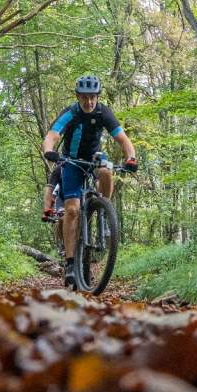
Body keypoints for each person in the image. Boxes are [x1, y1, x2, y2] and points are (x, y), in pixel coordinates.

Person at [41, 74, 137, 283]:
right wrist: (49, 150)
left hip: (94, 159)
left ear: (97, 96)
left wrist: (131, 157)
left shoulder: (103, 112)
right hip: (71, 162)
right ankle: (69, 264)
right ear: (78, 96)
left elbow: (122, 138)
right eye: (84, 97)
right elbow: (53, 135)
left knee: (106, 170)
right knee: (72, 210)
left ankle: (103, 207)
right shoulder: (71, 112)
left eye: (92, 97)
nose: (89, 101)